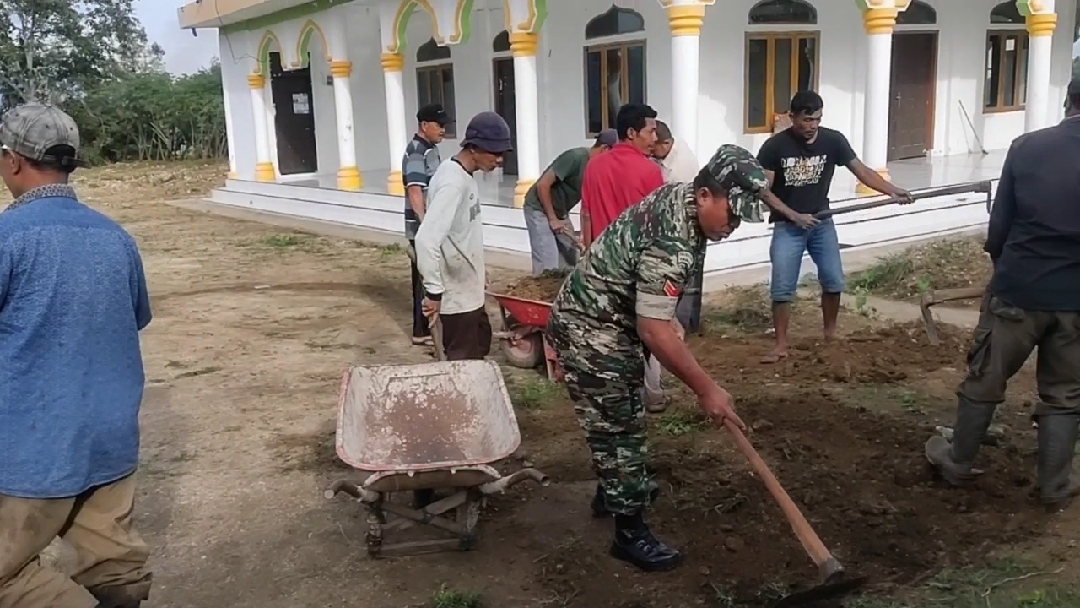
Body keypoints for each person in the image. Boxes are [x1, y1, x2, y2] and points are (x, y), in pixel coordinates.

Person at [547, 144, 772, 572]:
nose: (735, 225)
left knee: (615, 415)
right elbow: (652, 330)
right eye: (733, 212)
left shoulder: (684, 198)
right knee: (621, 426)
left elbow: (655, 309)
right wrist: (707, 389)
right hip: (592, 329)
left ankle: (612, 491)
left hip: (605, 318)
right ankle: (629, 534)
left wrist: (667, 322)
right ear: (705, 195)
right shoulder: (676, 237)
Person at [0, 104, 153, 608]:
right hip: (110, 440)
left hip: (33, 450)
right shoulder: (116, 238)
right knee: (114, 565)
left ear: (12, 161)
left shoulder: (8, 240)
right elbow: (133, 319)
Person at [925, 79, 1080, 513]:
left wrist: (1004, 276)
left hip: (1019, 289)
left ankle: (958, 463)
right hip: (1076, 302)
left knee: (986, 377)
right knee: (1065, 394)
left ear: (1068, 101)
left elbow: (999, 229)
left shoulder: (1027, 147)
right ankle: (1054, 486)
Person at [757, 91, 912, 363]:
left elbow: (862, 171)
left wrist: (892, 190)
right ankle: (781, 344)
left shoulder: (833, 140)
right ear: (792, 117)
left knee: (833, 280)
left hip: (822, 222)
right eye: (806, 120)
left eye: (816, 119)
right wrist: (794, 215)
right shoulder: (775, 147)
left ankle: (830, 335)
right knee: (782, 288)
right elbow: (764, 191)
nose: (812, 126)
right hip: (788, 226)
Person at [580, 103, 670, 411]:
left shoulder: (594, 167)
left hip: (603, 266)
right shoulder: (650, 171)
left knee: (612, 333)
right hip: (637, 267)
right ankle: (653, 392)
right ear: (631, 133)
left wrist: (588, 254)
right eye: (650, 131)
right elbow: (658, 227)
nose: (654, 137)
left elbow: (587, 215)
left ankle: (617, 394)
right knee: (650, 329)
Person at [414, 111, 512, 361]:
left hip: (470, 290)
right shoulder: (452, 183)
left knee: (479, 347)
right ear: (474, 148)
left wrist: (478, 269)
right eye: (494, 153)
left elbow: (461, 233)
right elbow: (426, 240)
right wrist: (434, 293)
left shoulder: (462, 175)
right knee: (463, 363)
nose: (499, 160)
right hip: (456, 299)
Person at [523, 129, 617, 274]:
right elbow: (543, 185)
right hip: (539, 208)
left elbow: (587, 207)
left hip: (561, 210)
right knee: (548, 260)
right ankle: (539, 295)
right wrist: (552, 219)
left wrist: (584, 236)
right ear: (605, 149)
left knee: (572, 256)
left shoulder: (597, 169)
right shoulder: (575, 157)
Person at [403, 103, 450, 347]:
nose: (443, 129)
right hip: (422, 229)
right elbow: (415, 190)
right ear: (424, 125)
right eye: (439, 125)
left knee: (429, 277)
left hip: (432, 227)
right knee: (425, 279)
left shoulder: (430, 149)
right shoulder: (415, 152)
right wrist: (426, 225)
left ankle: (427, 328)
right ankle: (421, 331)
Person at [652, 120, 705, 332]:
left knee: (685, 276)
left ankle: (683, 325)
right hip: (681, 220)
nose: (650, 150)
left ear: (665, 144)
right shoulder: (675, 147)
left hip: (687, 223)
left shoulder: (679, 168)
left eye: (653, 146)